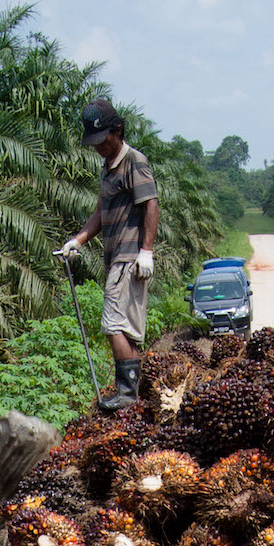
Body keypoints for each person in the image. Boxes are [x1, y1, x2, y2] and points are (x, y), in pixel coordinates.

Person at [58, 97, 159, 412]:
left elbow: (151, 204)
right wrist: (77, 240)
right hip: (115, 259)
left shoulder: (134, 161)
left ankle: (127, 395)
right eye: (94, 142)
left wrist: (146, 251)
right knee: (125, 329)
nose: (99, 147)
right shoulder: (107, 170)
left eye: (103, 140)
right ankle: (131, 394)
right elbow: (101, 213)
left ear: (118, 131)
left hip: (129, 258)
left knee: (113, 325)